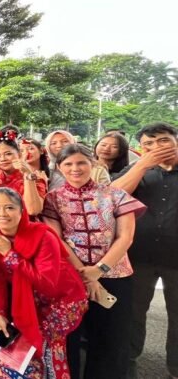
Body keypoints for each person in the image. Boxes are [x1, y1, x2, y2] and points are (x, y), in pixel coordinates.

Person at [42, 143, 145, 379]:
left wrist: (99, 269)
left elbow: (125, 237)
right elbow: (57, 240)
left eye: (81, 162)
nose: (75, 168)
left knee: (111, 338)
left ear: (93, 163)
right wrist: (84, 273)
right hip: (72, 277)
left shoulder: (116, 195)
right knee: (70, 336)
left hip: (114, 275)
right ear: (59, 168)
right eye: (68, 164)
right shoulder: (53, 199)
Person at [0, 188, 87, 379]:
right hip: (29, 300)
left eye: (9, 208)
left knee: (47, 346)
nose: (2, 214)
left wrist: (9, 254)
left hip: (62, 300)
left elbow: (46, 284)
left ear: (21, 210)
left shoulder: (42, 235)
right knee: (16, 349)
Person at [111, 122, 178, 378]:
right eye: (148, 144)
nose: (156, 147)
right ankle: (129, 360)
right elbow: (112, 196)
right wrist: (141, 165)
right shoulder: (138, 169)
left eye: (163, 140)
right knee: (134, 312)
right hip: (139, 255)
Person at [0, 129, 46, 216]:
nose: (3, 159)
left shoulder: (36, 177)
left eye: (8, 154)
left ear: (19, 155)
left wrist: (27, 176)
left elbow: (33, 211)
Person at [44, 130, 109, 190]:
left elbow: (106, 191)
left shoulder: (97, 170)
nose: (59, 145)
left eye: (65, 141)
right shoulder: (45, 169)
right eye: (53, 143)